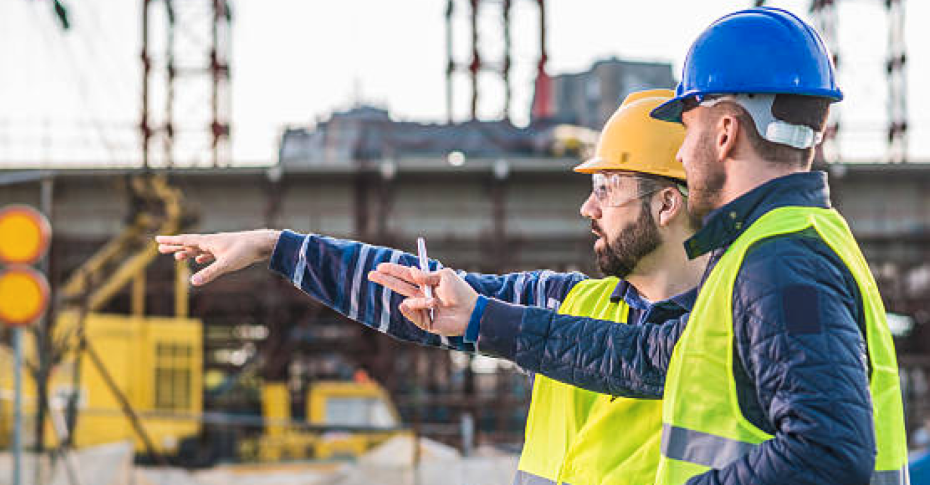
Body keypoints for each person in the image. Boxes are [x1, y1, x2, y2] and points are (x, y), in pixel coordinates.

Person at [376, 7, 909, 485]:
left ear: (724, 133)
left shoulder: (782, 263)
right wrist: (480, 319)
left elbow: (829, 451)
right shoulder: (770, 247)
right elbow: (645, 356)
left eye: (687, 129)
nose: (679, 157)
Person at [156, 90, 706, 485]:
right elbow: (410, 292)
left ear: (666, 203)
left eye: (607, 189)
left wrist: (483, 320)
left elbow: (640, 364)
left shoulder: (725, 331)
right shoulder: (565, 301)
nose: (589, 207)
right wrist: (275, 246)